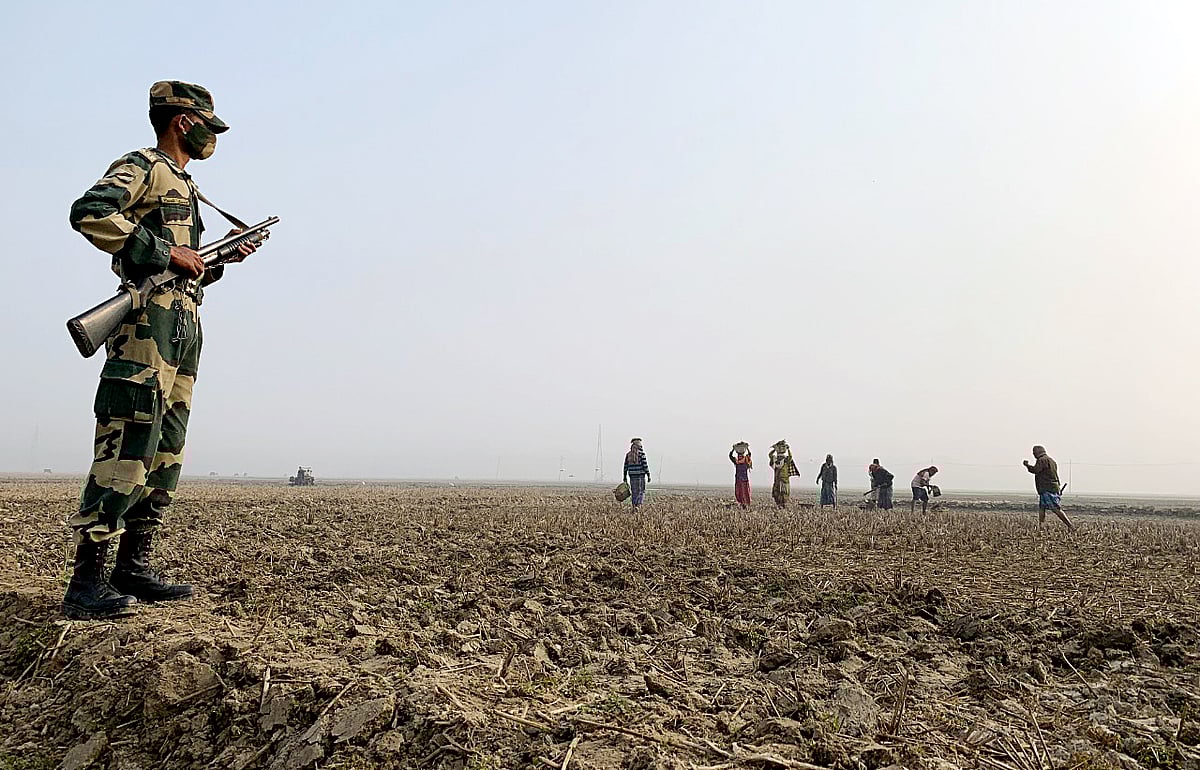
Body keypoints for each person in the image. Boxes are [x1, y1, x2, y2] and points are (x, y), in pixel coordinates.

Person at [63, 81, 256, 620]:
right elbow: (90, 212)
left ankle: (133, 566)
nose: (213, 139)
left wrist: (216, 263)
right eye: (207, 127)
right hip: (144, 329)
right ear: (182, 122)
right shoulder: (144, 166)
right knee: (129, 443)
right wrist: (166, 250)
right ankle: (87, 581)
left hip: (182, 326)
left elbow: (179, 272)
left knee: (165, 450)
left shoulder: (188, 187)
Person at [1024, 446, 1075, 531]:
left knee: (1055, 508)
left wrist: (1027, 466)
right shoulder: (1051, 461)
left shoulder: (1042, 460)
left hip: (1048, 488)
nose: (1033, 454)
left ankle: (1070, 526)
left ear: (1038, 452)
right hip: (1050, 487)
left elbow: (1036, 470)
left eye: (1034, 452)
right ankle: (1041, 527)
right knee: (1042, 508)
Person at [768, 440, 801, 509]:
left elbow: (790, 456)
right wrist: (774, 449)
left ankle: (783, 504)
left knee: (784, 493)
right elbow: (770, 455)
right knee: (776, 492)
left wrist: (788, 449)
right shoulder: (775, 459)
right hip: (777, 478)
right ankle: (779, 504)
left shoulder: (786, 460)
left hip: (784, 479)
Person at [623, 438, 651, 512]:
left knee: (634, 492)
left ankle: (633, 506)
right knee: (641, 491)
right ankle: (638, 506)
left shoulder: (628, 455)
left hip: (632, 477)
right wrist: (648, 475)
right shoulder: (641, 454)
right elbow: (645, 465)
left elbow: (625, 467)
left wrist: (624, 476)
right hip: (640, 476)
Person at [729, 442, 752, 509]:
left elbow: (730, 456)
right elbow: (730, 456)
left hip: (741, 478)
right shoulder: (744, 460)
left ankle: (744, 504)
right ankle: (743, 504)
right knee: (742, 492)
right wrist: (747, 449)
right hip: (741, 478)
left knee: (743, 492)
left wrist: (733, 450)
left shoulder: (741, 461)